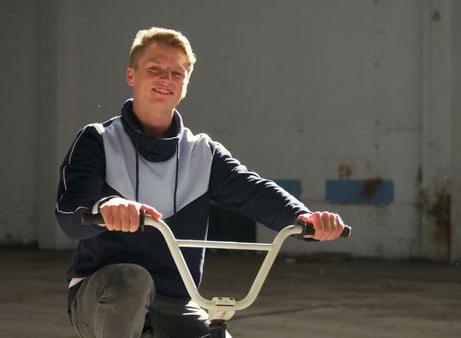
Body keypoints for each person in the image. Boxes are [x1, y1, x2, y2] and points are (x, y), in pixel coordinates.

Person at [55, 27, 346, 338]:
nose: (166, 78)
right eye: (154, 69)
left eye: (176, 73)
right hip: (101, 297)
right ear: (131, 75)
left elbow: (254, 191)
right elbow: (70, 217)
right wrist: (107, 207)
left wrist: (304, 219)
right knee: (132, 280)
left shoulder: (202, 153)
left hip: (176, 302)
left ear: (185, 85)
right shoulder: (98, 140)